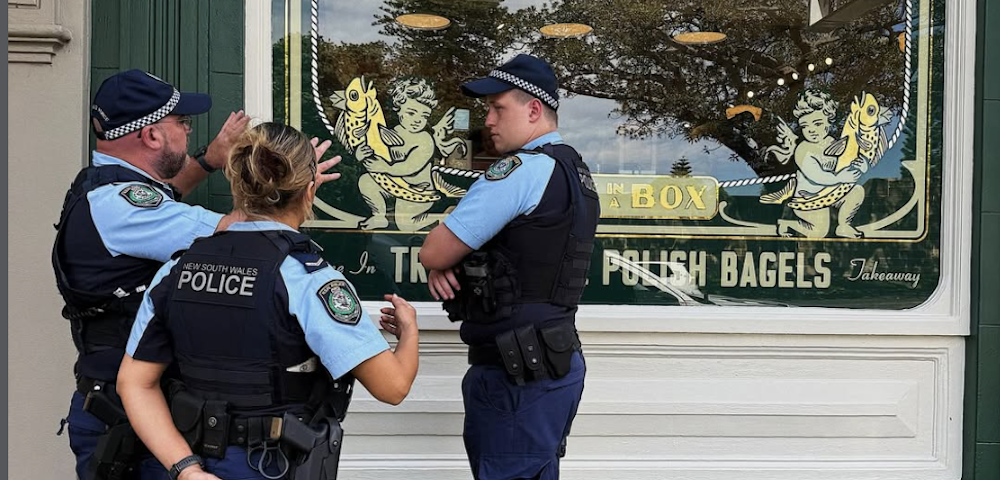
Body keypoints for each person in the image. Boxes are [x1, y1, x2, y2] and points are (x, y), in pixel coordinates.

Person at [117, 122, 420, 480]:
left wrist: (186, 470)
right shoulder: (309, 279)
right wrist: (409, 330)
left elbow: (135, 383)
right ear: (310, 190)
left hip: (186, 461)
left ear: (237, 183)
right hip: (267, 465)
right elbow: (392, 387)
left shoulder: (177, 269)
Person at [51, 69, 264, 479]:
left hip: (128, 409)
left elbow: (162, 201)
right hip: (130, 423)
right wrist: (284, 183)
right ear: (151, 135)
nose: (188, 130)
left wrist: (208, 160)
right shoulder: (122, 206)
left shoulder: (105, 188)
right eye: (182, 122)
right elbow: (239, 233)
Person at [419, 54, 601, 480]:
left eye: (498, 108)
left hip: (516, 376)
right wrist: (459, 258)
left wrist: (446, 259)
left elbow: (433, 252)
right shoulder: (574, 171)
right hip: (550, 365)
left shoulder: (520, 171)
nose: (488, 120)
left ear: (534, 110)